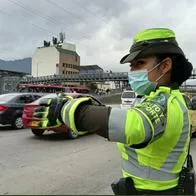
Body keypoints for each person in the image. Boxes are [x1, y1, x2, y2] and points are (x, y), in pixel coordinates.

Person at [33, 28, 194, 195]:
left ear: (165, 66)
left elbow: (133, 127)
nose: (133, 72)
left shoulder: (166, 101)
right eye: (131, 66)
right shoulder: (159, 99)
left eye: (140, 63)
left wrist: (69, 109)